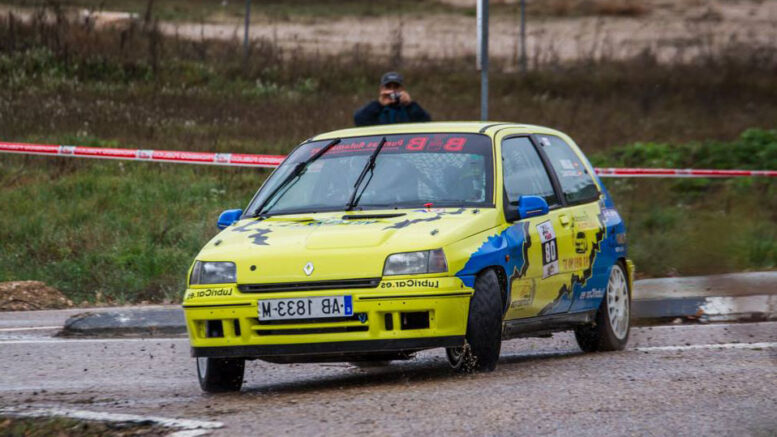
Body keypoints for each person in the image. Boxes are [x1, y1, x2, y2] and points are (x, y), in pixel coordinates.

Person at [353, 72, 431, 126]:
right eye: (388, 87)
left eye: (396, 87)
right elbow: (359, 120)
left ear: (402, 89)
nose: (392, 91)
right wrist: (379, 104)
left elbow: (426, 122)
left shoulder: (409, 109)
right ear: (381, 89)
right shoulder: (375, 110)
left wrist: (410, 104)